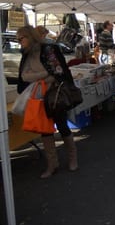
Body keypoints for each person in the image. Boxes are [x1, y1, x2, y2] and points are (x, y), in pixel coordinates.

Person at [16, 25, 79, 178]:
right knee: (45, 130)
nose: (19, 42)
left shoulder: (48, 49)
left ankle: (73, 158)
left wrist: (37, 75)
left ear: (29, 36)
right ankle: (52, 164)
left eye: (21, 38)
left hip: (54, 94)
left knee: (62, 125)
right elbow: (24, 77)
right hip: (38, 96)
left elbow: (58, 72)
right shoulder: (27, 54)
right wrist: (44, 74)